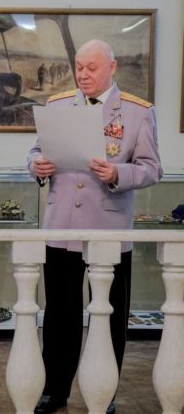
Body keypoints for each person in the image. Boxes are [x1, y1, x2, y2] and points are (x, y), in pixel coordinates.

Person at [28, 39, 162, 414]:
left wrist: (119, 173)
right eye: (79, 67)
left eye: (91, 68)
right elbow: (36, 150)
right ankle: (55, 390)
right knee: (59, 313)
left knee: (109, 315)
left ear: (112, 68)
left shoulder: (137, 112)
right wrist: (36, 165)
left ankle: (105, 392)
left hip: (109, 227)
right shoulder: (58, 105)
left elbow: (153, 168)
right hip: (62, 226)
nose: (83, 75)